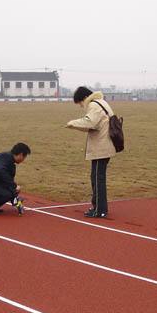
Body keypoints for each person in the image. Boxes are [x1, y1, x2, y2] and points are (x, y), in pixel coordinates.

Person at [64, 86, 117, 218]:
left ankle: (100, 209)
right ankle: (98, 206)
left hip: (102, 147)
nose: (82, 106)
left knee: (98, 179)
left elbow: (90, 122)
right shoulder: (101, 102)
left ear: (83, 99)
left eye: (80, 103)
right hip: (103, 146)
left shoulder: (94, 105)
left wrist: (72, 123)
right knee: (96, 177)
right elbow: (94, 125)